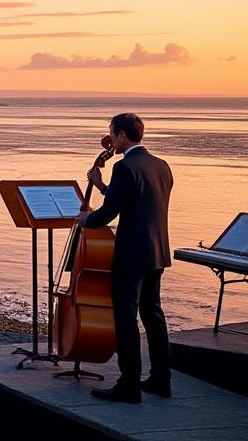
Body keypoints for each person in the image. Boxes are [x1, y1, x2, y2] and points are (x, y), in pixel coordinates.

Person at [78, 112, 173, 403]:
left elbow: (110, 211)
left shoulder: (124, 166)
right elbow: (135, 199)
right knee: (153, 315)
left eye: (113, 135)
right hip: (157, 251)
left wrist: (87, 219)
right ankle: (160, 379)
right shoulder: (160, 165)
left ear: (120, 135)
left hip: (131, 254)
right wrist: (103, 186)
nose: (113, 141)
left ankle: (129, 383)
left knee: (126, 317)